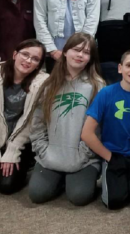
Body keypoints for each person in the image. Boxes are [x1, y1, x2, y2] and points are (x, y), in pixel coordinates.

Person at [28, 33, 103, 206]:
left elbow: (98, 130)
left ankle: (71, 178)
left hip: (82, 157)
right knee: (36, 194)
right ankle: (59, 177)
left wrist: (82, 156)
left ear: (90, 58)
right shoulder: (48, 84)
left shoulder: (97, 86)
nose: (80, 55)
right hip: (51, 154)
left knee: (78, 197)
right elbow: (37, 123)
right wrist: (44, 151)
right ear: (65, 52)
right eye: (76, 50)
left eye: (86, 52)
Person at [82, 48, 130, 209]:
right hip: (113, 154)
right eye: (129, 65)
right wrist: (109, 157)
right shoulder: (106, 93)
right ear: (120, 68)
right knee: (114, 202)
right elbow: (86, 133)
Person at [0, 39, 47, 195]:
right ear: (15, 54)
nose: (28, 60)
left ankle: (29, 160)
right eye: (25, 54)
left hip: (22, 140)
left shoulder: (41, 84)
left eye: (35, 59)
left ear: (38, 65)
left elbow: (32, 123)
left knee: (7, 186)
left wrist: (13, 149)